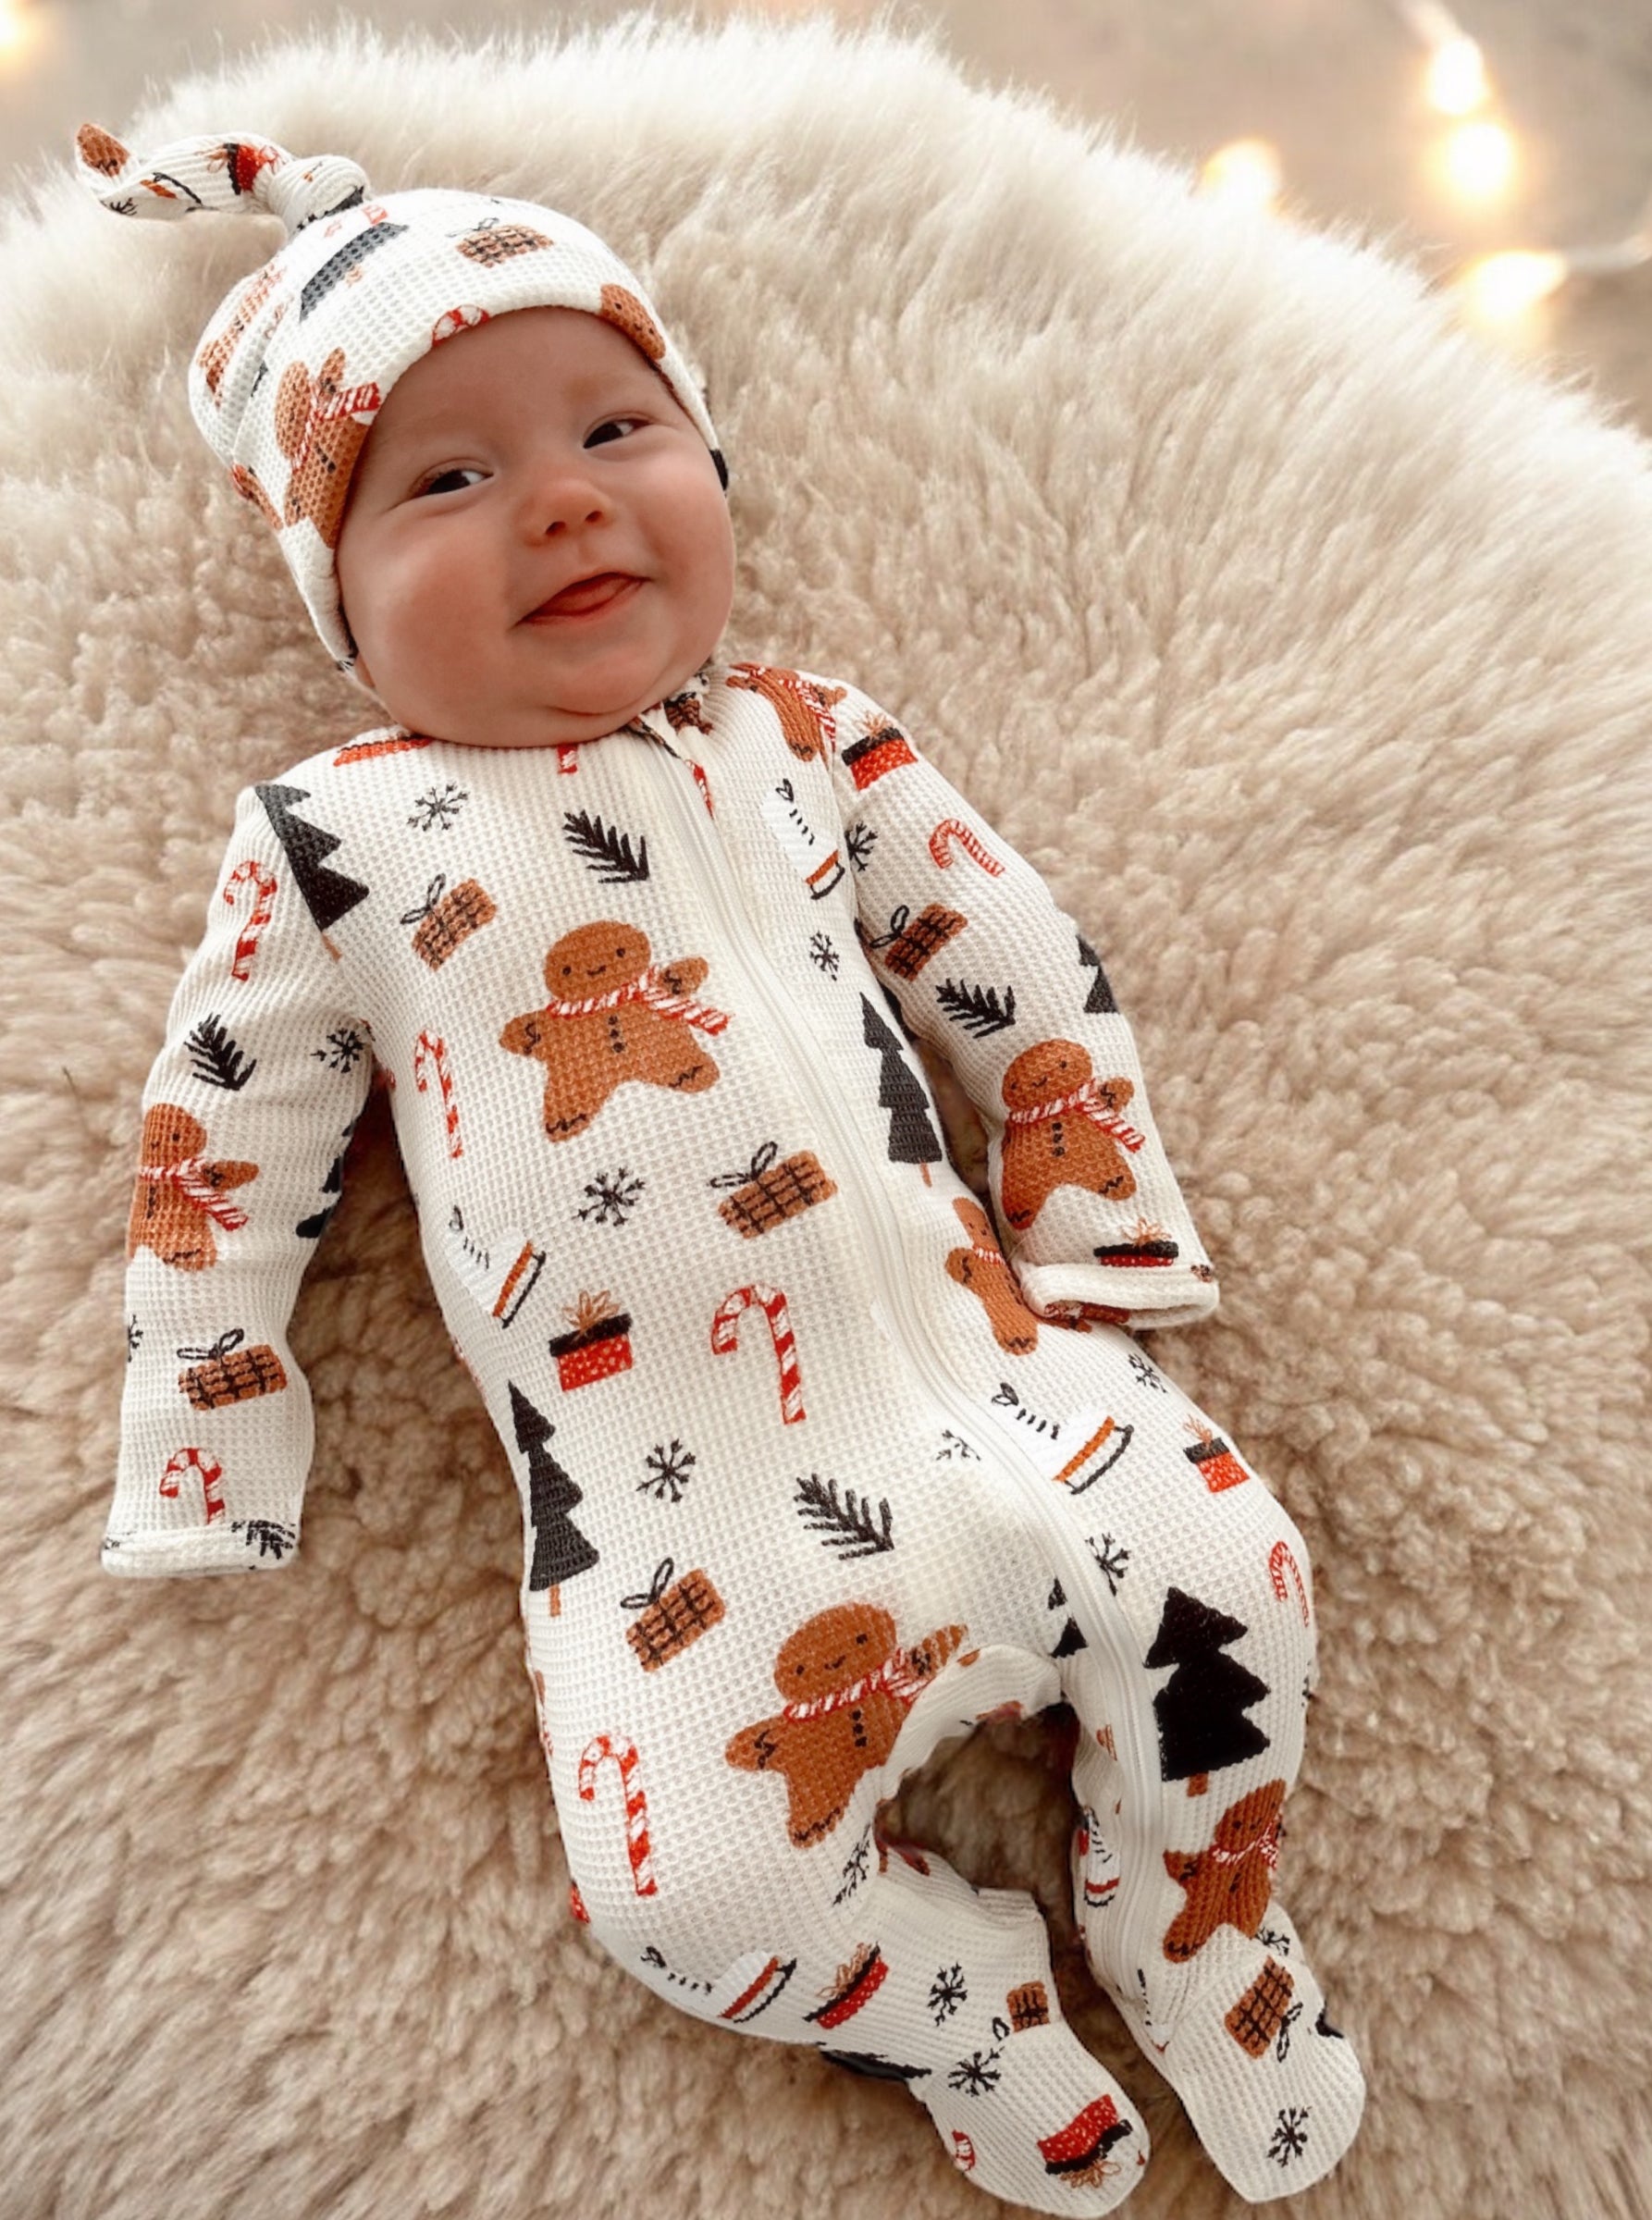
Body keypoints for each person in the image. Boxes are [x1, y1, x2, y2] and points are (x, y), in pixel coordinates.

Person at [81, 122, 1365, 2213]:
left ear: (709, 460)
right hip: (677, 1526)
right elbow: (214, 1142)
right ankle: (963, 2002)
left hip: (1007, 1389)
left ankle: (1189, 1912)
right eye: (446, 480)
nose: (562, 500)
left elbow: (1002, 949)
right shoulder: (333, 845)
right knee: (682, 1900)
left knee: (1242, 1586)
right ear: (342, 601)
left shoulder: (802, 735)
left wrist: (1096, 1205)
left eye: (616, 427)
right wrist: (204, 1425)